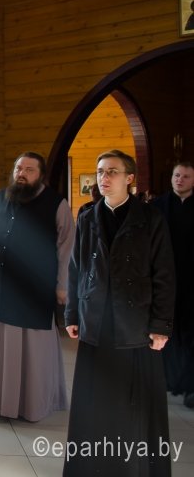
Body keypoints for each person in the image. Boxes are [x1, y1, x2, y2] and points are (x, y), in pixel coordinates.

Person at [64, 150, 175, 476]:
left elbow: (164, 274)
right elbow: (76, 269)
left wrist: (160, 325)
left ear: (130, 178)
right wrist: (72, 313)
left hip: (135, 325)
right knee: (95, 401)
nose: (104, 177)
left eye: (112, 171)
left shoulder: (151, 218)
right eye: (100, 171)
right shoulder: (87, 216)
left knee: (132, 405)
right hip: (96, 321)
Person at [0, 152, 73, 422]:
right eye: (19, 168)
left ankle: (29, 404)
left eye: (29, 170)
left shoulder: (57, 204)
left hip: (33, 288)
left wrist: (62, 285)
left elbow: (67, 248)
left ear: (41, 175)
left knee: (31, 347)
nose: (22, 173)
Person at [152, 161, 194, 406]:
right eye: (177, 175)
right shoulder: (157, 207)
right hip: (165, 278)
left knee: (190, 333)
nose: (180, 180)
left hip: (192, 281)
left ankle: (190, 385)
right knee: (167, 330)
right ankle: (167, 380)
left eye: (186, 176)